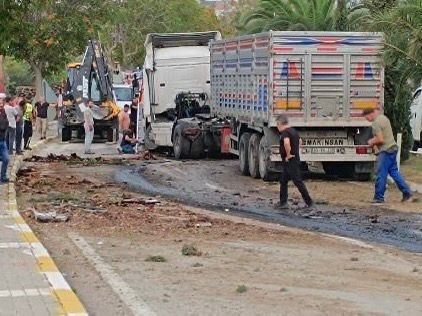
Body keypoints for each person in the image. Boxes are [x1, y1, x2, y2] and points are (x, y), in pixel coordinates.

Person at [363, 108, 413, 204]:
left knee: (381, 174)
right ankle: (407, 194)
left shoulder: (376, 123)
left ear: (370, 114)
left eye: (367, 117)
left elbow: (381, 139)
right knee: (394, 172)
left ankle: (379, 198)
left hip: (385, 150)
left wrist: (371, 142)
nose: (367, 120)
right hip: (393, 148)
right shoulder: (384, 118)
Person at [277, 114, 313, 209]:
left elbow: (286, 143)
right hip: (294, 159)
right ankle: (283, 202)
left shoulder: (285, 133)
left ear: (280, 123)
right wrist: (295, 150)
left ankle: (309, 202)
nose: (277, 127)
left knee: (297, 181)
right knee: (283, 180)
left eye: (277, 125)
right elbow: (300, 141)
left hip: (290, 161)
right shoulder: (294, 131)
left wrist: (288, 154)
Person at [0, 95, 10, 183]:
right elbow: (3, 125)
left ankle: (3, 177)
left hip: (2, 140)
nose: (1, 104)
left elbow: (6, 123)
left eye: (2, 103)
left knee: (6, 159)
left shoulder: (3, 112)